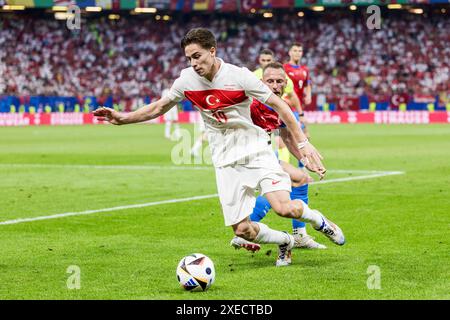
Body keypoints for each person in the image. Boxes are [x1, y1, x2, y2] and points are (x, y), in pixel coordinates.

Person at [93, 28, 344, 267]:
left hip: (256, 151)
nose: (193, 63)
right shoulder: (186, 80)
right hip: (225, 161)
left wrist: (303, 143)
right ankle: (286, 241)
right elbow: (159, 107)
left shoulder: (240, 76)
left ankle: (319, 221)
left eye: (197, 56)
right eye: (189, 58)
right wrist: (123, 118)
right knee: (243, 230)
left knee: (284, 208)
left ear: (212, 51)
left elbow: (281, 106)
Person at [231, 62, 326, 252]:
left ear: (285, 84)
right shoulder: (250, 102)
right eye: (270, 81)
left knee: (299, 179)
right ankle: (246, 233)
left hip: (265, 156)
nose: (275, 85)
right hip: (244, 160)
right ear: (261, 82)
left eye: (279, 82)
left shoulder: (279, 107)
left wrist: (307, 161)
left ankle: (297, 236)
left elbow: (288, 138)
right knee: (280, 196)